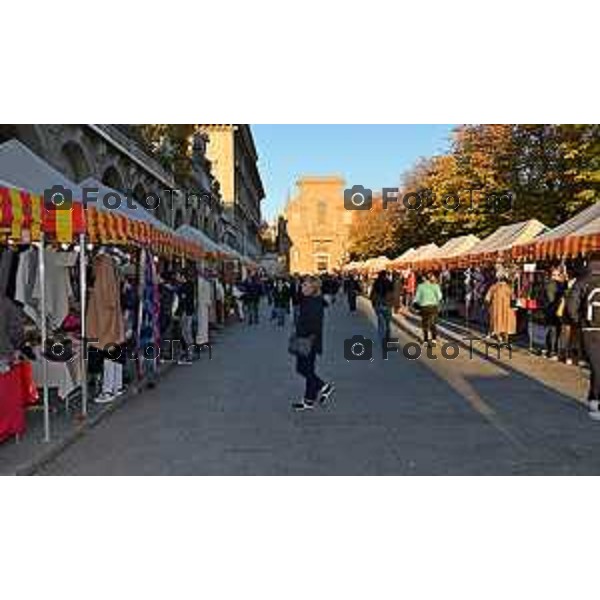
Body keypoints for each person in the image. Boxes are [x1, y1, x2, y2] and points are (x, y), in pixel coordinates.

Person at [292, 276, 334, 411]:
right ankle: (308, 400)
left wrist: (303, 336)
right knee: (307, 369)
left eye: (305, 286)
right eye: (302, 285)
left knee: (303, 369)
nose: (302, 288)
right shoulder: (310, 300)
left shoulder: (314, 303)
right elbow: (296, 297)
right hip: (307, 340)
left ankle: (323, 386)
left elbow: (314, 324)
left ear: (312, 288)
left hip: (308, 340)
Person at [566, 252, 600, 420]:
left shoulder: (582, 281)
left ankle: (595, 401)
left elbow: (571, 308)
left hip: (589, 330)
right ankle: (594, 400)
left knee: (596, 365)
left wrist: (579, 321)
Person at [484, 276, 516, 344]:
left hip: (497, 308)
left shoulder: (494, 287)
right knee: (506, 323)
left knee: (497, 322)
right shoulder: (508, 287)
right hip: (506, 309)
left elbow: (487, 298)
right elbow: (513, 298)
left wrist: (487, 305)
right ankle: (505, 338)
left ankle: (499, 337)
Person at [543, 267, 566, 360]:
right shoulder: (557, 285)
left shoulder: (552, 284)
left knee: (553, 331)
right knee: (555, 331)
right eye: (554, 275)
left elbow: (549, 299)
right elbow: (550, 298)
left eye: (557, 275)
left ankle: (551, 351)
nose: (556, 277)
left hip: (552, 310)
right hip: (556, 310)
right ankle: (553, 351)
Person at [414, 272, 443, 345]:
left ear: (424, 278)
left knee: (425, 324)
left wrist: (417, 306)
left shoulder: (420, 286)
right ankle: (434, 339)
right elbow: (440, 297)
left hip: (424, 307)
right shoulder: (435, 286)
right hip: (433, 307)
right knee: (433, 323)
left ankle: (425, 340)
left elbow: (417, 298)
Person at [175, 271, 196, 365]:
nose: (176, 277)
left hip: (185, 312)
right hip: (189, 311)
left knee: (186, 332)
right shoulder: (190, 285)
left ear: (183, 276)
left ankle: (190, 354)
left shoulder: (184, 287)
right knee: (187, 332)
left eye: (178, 275)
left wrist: (177, 313)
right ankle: (190, 352)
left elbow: (183, 301)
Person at [370, 270, 394, 345]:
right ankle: (388, 337)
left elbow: (372, 294)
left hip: (378, 304)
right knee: (387, 322)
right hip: (387, 304)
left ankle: (382, 338)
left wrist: (373, 304)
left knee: (380, 322)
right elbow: (392, 293)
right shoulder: (389, 282)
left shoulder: (376, 283)